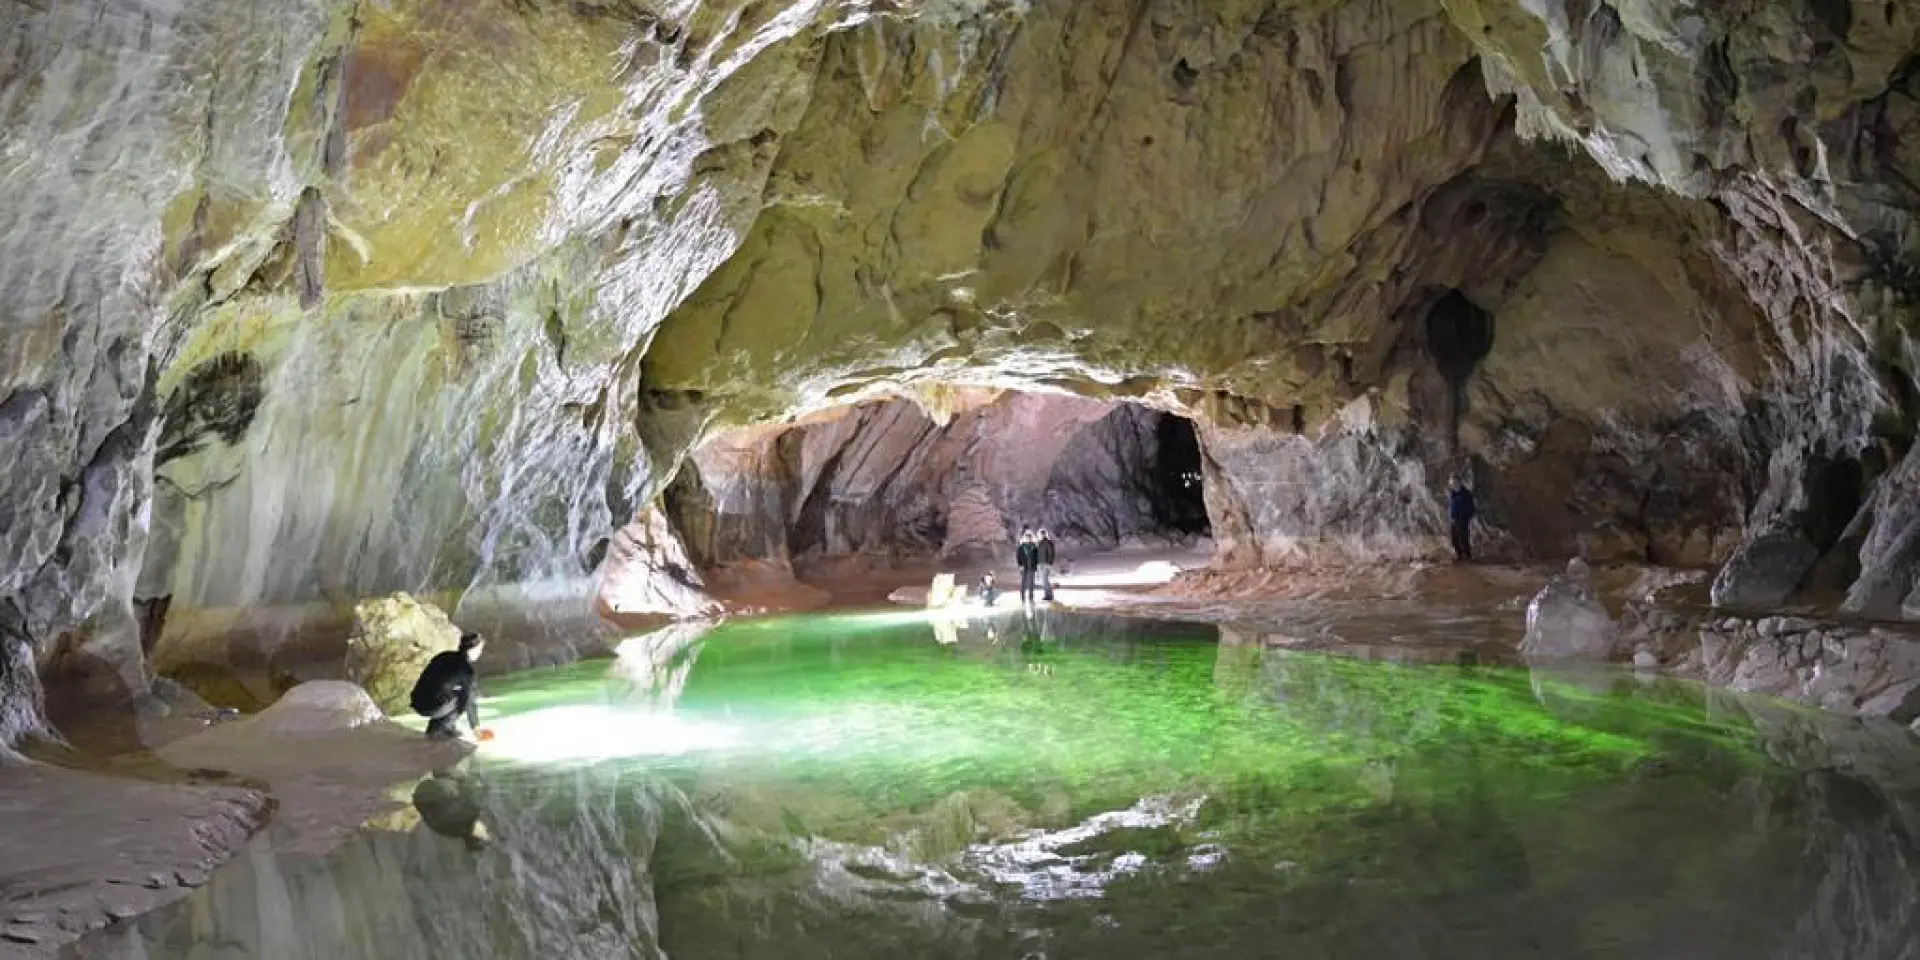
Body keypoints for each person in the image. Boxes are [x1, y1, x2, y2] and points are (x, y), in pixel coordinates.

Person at [411, 631, 486, 740]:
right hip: (430, 706)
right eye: (480, 649)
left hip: (417, 700)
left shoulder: (443, 655)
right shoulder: (467, 670)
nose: (480, 653)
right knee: (463, 696)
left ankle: (445, 727)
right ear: (472, 649)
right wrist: (475, 727)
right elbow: (469, 700)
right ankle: (441, 729)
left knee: (451, 692)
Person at [1447, 480, 1477, 562]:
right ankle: (1459, 554)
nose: (1453, 485)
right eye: (1452, 483)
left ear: (1460, 483)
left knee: (1463, 538)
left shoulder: (1466, 494)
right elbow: (1450, 507)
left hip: (1462, 519)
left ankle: (1467, 555)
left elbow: (1471, 507)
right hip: (1453, 520)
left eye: (1455, 483)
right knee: (1454, 539)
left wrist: (1467, 517)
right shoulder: (1451, 494)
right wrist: (1450, 517)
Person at [1015, 530, 1041, 605]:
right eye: (1026, 538)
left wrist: (1036, 565)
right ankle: (1022, 598)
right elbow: (1018, 557)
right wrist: (1020, 565)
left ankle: (1031, 599)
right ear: (1024, 538)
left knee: (1031, 584)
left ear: (1031, 538)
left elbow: (1037, 557)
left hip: (1032, 567)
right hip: (1024, 567)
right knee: (1023, 583)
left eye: (1029, 538)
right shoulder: (1021, 547)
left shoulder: (1034, 547)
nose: (1028, 539)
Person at [1037, 528, 1057, 602]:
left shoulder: (1048, 542)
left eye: (1042, 534)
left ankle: (1049, 595)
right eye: (1040, 534)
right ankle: (1047, 594)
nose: (1040, 535)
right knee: (1043, 580)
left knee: (1045, 579)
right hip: (1040, 563)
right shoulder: (1039, 543)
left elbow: (1051, 553)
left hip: (1046, 563)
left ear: (1044, 534)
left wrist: (1049, 563)